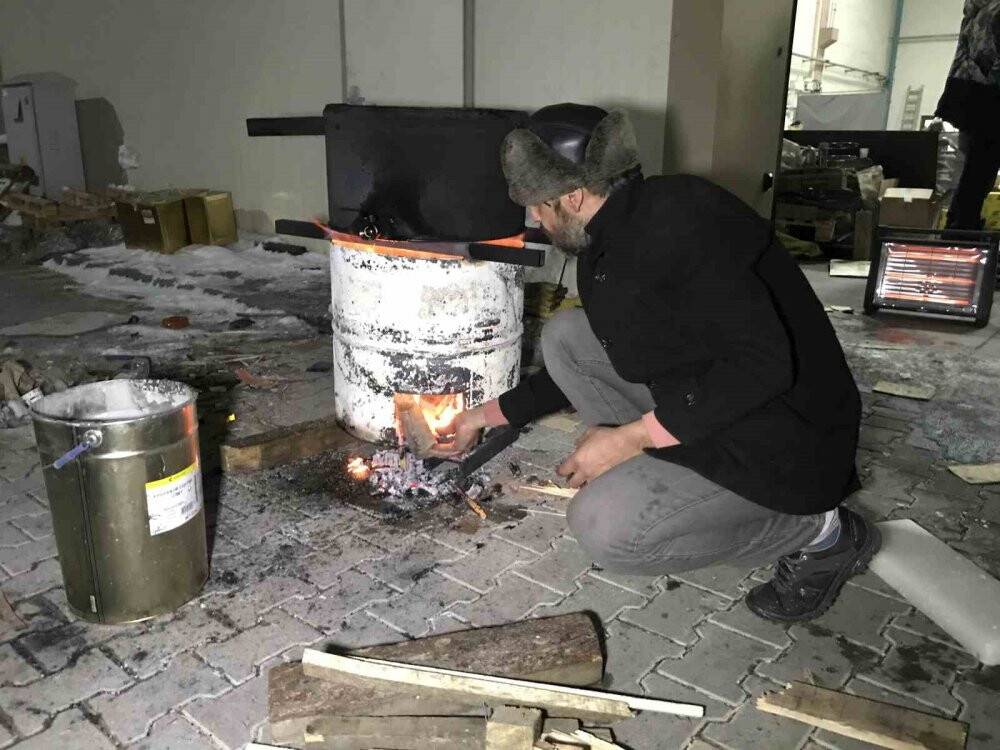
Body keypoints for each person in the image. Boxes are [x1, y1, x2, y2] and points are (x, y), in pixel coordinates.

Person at [434, 103, 880, 622]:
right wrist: (481, 417)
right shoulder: (627, 228)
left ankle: (823, 534)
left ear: (572, 196)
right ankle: (664, 470)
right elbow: (607, 351)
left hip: (789, 440)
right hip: (724, 397)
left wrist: (632, 437)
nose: (535, 218)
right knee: (570, 336)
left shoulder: (678, 234)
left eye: (538, 205)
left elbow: (763, 365)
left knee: (606, 529)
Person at [936, 0, 1000, 229]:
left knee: (976, 169)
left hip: (968, 94)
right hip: (989, 97)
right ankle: (961, 226)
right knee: (979, 169)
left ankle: (959, 225)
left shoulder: (976, 10)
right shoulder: (992, 12)